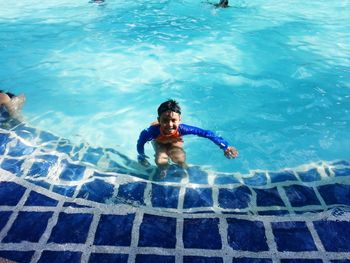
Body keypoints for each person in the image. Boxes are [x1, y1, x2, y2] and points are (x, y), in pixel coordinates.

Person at [136, 99, 238, 177]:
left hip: (175, 139)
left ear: (180, 120)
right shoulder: (151, 131)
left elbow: (207, 133)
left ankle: (185, 172)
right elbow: (140, 143)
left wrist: (225, 147)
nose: (170, 124)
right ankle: (163, 172)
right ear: (159, 120)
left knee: (179, 158)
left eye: (173, 120)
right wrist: (141, 157)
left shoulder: (183, 129)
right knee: (161, 161)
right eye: (165, 120)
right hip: (159, 141)